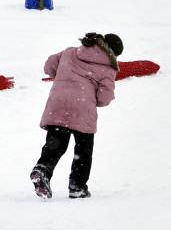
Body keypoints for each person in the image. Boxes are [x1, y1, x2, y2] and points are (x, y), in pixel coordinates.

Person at [30, 32, 122, 199]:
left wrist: (63, 79)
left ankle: (42, 169)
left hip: (58, 103)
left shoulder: (71, 52)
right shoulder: (108, 67)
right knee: (83, 150)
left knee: (55, 144)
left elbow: (49, 64)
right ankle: (77, 187)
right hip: (82, 109)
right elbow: (105, 98)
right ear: (114, 53)